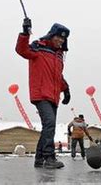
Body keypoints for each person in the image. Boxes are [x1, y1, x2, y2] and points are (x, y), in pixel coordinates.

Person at [16, 19, 71, 169]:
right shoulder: (38, 47)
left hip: (53, 96)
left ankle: (39, 160)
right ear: (51, 35)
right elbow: (22, 50)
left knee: (47, 127)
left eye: (63, 38)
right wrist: (25, 33)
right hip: (41, 93)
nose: (60, 40)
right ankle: (49, 158)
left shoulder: (59, 56)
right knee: (50, 124)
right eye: (58, 37)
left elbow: (58, 76)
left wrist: (65, 90)